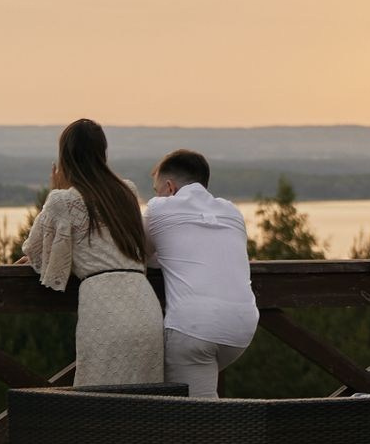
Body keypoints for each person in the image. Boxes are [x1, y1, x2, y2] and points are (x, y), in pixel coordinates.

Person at [21, 119, 164, 384]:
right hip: (144, 303)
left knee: (98, 402)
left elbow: (36, 252)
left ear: (65, 155)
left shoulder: (62, 200)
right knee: (145, 404)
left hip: (103, 304)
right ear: (103, 152)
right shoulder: (127, 191)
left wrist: (58, 191)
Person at [142, 148, 259, 397]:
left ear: (170, 187)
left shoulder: (159, 209)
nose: (157, 195)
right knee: (205, 404)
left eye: (157, 189)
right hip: (241, 327)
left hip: (194, 327)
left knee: (196, 420)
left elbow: (136, 253)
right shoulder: (231, 212)